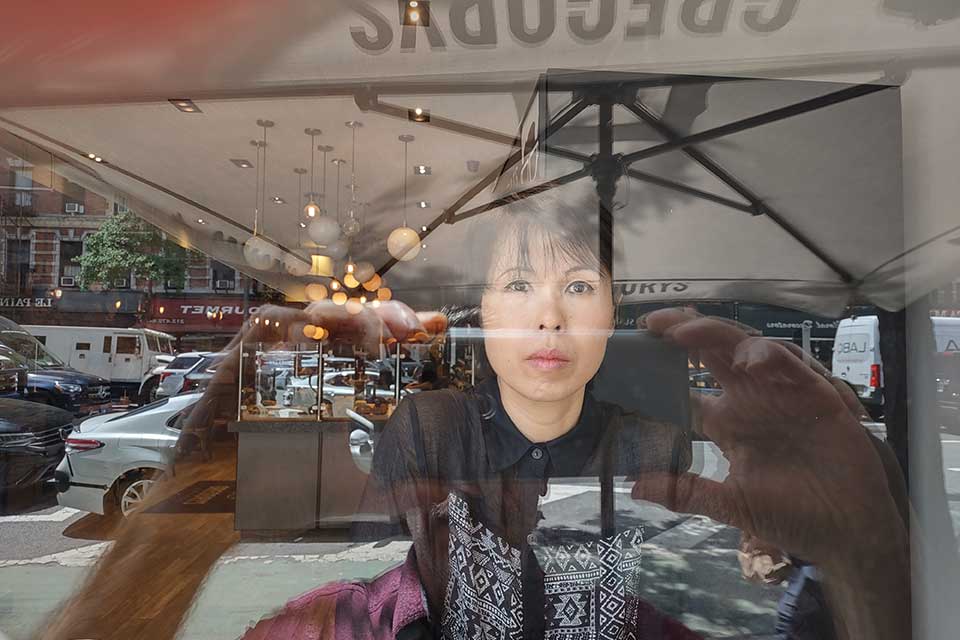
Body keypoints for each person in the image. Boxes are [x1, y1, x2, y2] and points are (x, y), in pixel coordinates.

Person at [39, 192, 909, 640]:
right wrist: (186, 512)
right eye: (518, 288)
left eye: (578, 288)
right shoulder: (328, 628)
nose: (548, 318)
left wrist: (861, 562)